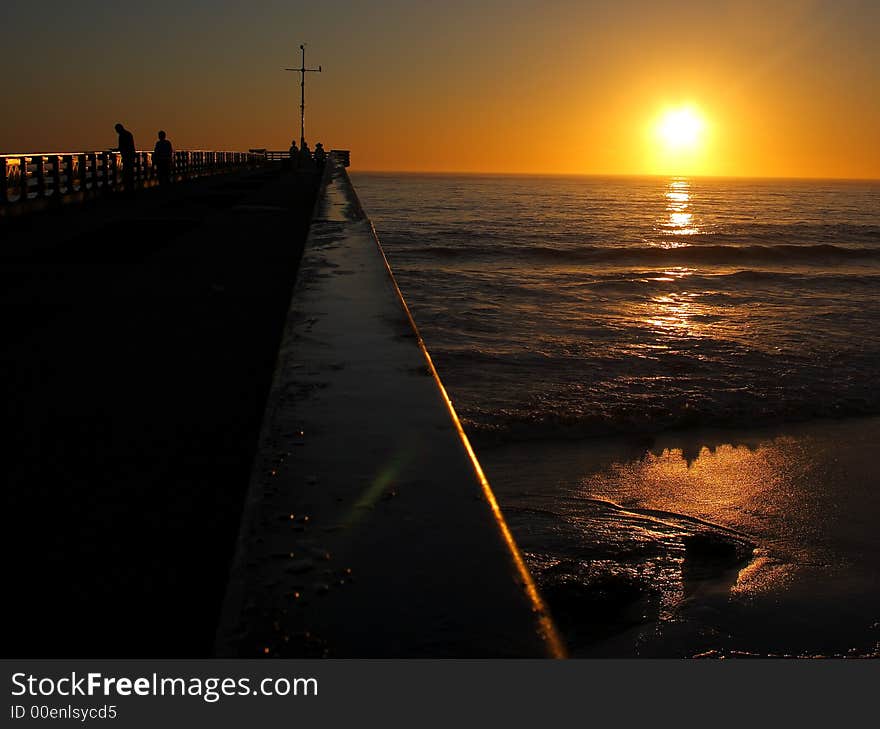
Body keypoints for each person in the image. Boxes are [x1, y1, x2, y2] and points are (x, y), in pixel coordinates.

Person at [113, 123, 137, 194]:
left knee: (127, 172)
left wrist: (116, 150)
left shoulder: (122, 135)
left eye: (116, 130)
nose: (116, 132)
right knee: (130, 172)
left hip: (127, 156)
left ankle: (128, 188)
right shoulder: (128, 134)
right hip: (131, 155)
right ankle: (130, 188)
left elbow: (122, 147)